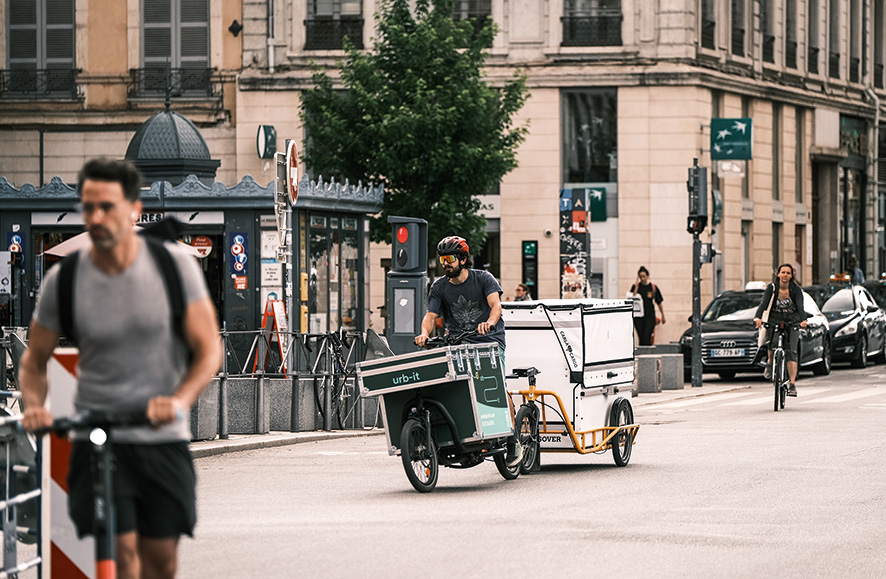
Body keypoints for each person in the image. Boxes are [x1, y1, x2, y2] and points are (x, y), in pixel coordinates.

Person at [20, 158, 221, 579]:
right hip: (98, 438)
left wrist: (179, 400)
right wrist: (34, 404)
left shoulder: (173, 266)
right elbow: (34, 361)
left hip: (160, 436)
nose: (94, 217)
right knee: (122, 555)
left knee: (161, 562)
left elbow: (209, 351)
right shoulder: (66, 279)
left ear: (133, 208)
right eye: (87, 207)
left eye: (106, 206)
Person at [414, 236, 520, 465]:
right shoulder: (439, 287)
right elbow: (430, 316)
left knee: (497, 387)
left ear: (463, 259)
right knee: (454, 387)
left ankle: (513, 440)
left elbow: (496, 306)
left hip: (488, 341)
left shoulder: (483, 279)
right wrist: (424, 333)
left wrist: (490, 322)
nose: (445, 263)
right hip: (459, 343)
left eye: (450, 258)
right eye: (442, 259)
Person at [753, 263, 809, 396]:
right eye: (783, 272)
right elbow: (764, 304)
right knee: (772, 344)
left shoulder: (796, 290)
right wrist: (757, 317)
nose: (785, 275)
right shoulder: (772, 288)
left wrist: (803, 320)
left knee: (792, 351)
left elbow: (800, 306)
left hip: (792, 320)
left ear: (791, 276)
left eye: (788, 273)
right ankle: (770, 363)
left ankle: (792, 384)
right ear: (778, 274)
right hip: (774, 319)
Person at [628, 266, 665, 346]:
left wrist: (663, 315)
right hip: (638, 317)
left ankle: (647, 355)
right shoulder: (635, 287)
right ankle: (643, 356)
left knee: (647, 336)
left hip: (649, 316)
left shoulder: (652, 287)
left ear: (647, 276)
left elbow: (659, 302)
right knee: (641, 338)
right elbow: (632, 299)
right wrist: (636, 288)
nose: (642, 278)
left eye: (643, 276)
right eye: (640, 277)